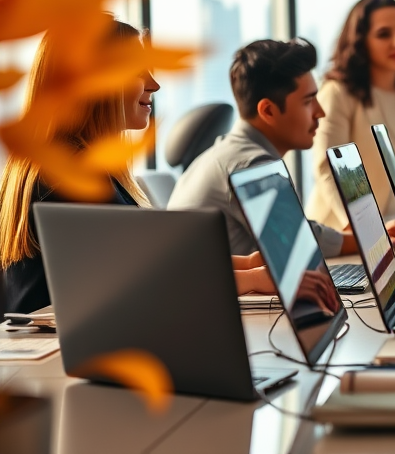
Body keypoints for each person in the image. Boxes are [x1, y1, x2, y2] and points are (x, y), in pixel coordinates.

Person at [0, 17, 273, 315]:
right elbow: (150, 282)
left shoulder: (67, 162)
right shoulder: (73, 177)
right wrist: (251, 279)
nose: (154, 84)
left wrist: (248, 265)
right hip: (58, 354)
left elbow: (154, 261)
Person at [168, 37, 395, 258]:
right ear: (268, 111)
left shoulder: (227, 153)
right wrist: (372, 236)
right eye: (308, 101)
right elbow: (298, 240)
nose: (320, 112)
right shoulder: (250, 165)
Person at [307, 0, 395, 231]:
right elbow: (328, 168)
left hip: (394, 234)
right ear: (360, 41)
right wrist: (366, 231)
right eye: (384, 34)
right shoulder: (338, 92)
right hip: (340, 237)